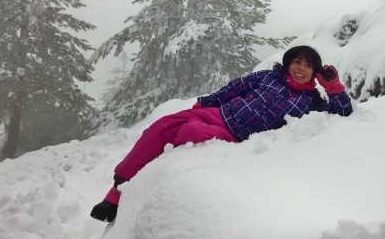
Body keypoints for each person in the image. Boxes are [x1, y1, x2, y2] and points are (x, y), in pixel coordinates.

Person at [90, 45, 353, 222]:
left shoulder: (311, 101)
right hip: (219, 113)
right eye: (296, 61)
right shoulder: (266, 77)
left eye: (307, 65)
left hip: (236, 135)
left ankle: (154, 174)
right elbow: (234, 88)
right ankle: (116, 191)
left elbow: (341, 113)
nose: (300, 68)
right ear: (287, 64)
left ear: (314, 73)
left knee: (190, 131)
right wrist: (204, 103)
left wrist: (334, 87)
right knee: (161, 126)